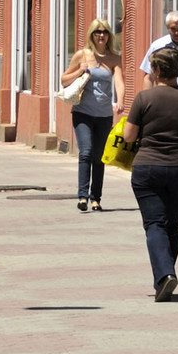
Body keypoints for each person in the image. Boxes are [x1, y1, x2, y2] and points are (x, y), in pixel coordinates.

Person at [126, 45, 178, 300]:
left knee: (154, 224)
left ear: (157, 71)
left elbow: (129, 135)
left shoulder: (143, 98)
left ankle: (165, 275)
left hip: (148, 167)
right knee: (173, 224)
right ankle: (165, 278)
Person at [63, 17, 124, 213]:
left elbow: (119, 82)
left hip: (104, 115)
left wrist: (120, 100)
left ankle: (95, 198)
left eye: (105, 32)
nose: (101, 35)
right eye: (97, 31)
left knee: (99, 157)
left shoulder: (114, 58)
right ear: (92, 34)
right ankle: (82, 196)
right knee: (86, 152)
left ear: (109, 36)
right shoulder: (82, 55)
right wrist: (79, 71)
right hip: (83, 112)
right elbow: (64, 80)